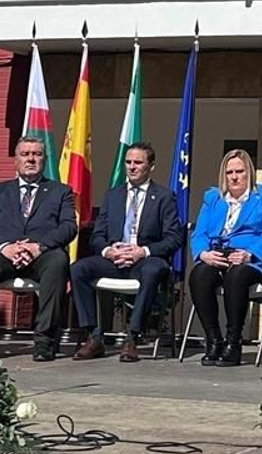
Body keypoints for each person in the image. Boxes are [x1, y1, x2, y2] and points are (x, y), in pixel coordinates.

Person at [72, 142, 182, 362]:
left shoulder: (164, 196)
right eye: (128, 162)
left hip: (145, 260)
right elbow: (97, 235)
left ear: (151, 166)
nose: (132, 167)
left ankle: (132, 337)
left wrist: (143, 251)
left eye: (138, 162)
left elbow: (174, 238)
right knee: (78, 269)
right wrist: (108, 251)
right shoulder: (113, 195)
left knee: (152, 271)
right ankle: (94, 336)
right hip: (115, 259)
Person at [0, 135, 77, 360]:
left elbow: (69, 227)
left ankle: (44, 341)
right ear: (16, 160)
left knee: (58, 261)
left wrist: (39, 247)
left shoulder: (61, 191)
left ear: (44, 159)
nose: (31, 159)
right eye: (25, 154)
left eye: (37, 154)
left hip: (42, 255)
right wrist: (5, 247)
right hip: (4, 254)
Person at [187, 149, 262, 367]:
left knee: (237, 275)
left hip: (250, 259)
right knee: (199, 275)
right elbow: (199, 233)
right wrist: (204, 254)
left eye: (239, 171)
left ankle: (234, 342)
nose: (234, 177)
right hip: (217, 254)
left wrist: (250, 255)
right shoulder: (213, 197)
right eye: (229, 172)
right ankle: (214, 340)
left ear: (249, 172)